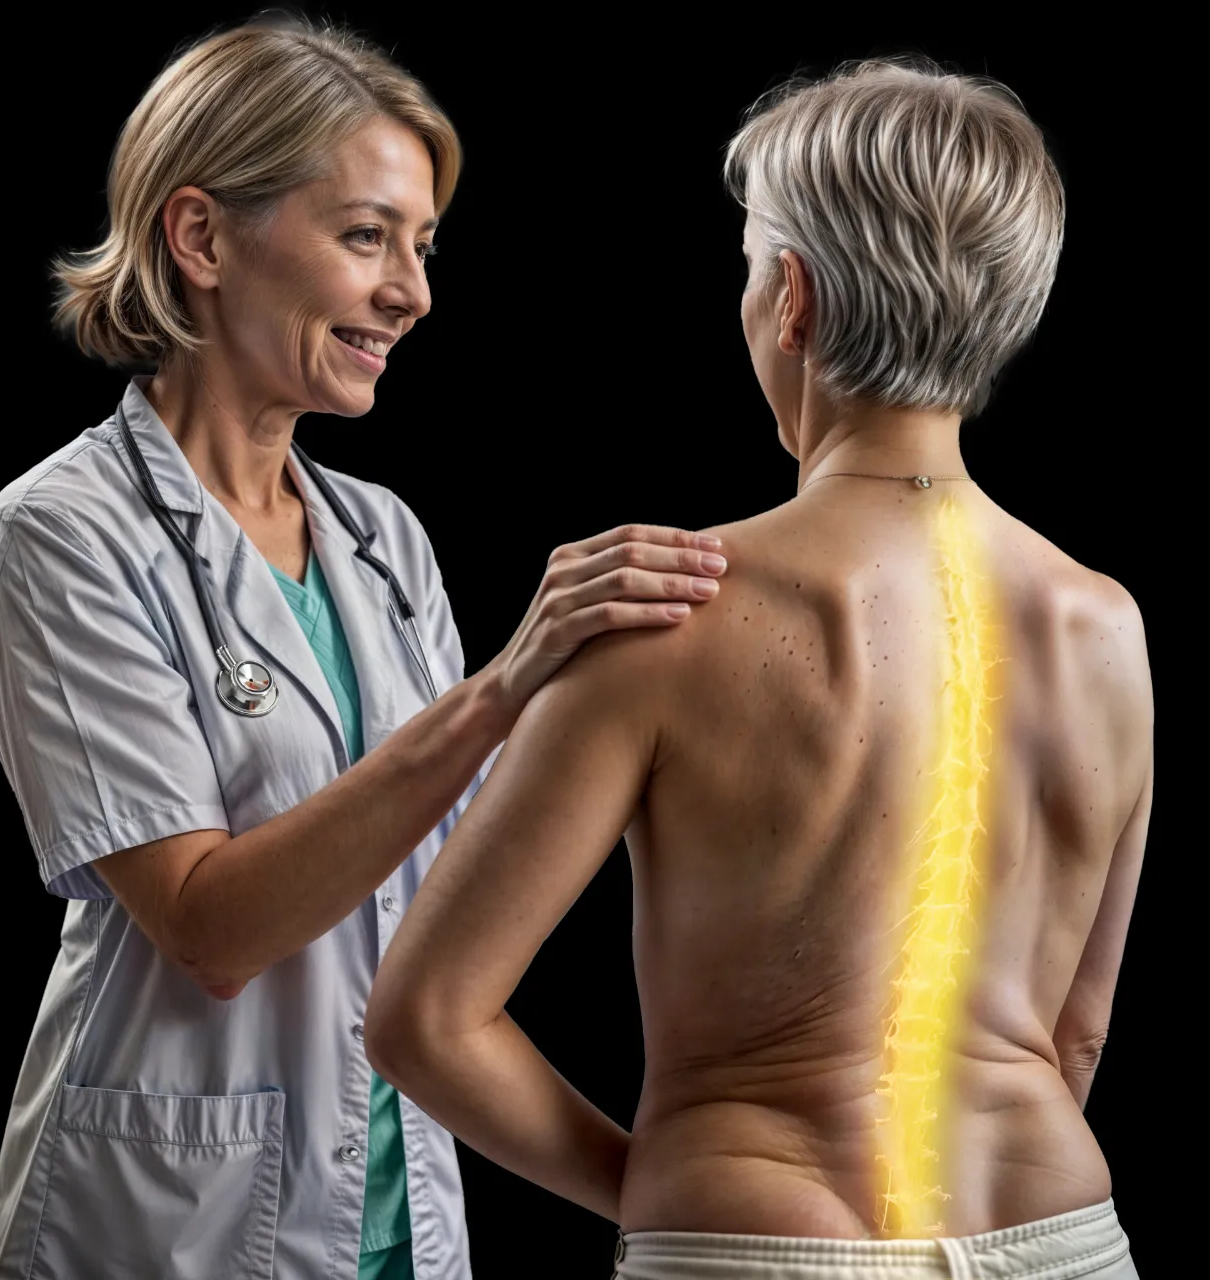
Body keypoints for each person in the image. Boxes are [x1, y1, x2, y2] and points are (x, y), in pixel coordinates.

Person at [0, 18, 729, 1280]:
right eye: (366, 236)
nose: (413, 293)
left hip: (400, 1212)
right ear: (200, 238)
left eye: (421, 247)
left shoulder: (382, 537)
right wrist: (498, 693)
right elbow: (210, 927)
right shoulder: (59, 535)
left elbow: (456, 883)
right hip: (169, 1225)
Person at [365, 59, 1151, 1280]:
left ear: (792, 299)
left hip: (750, 1241)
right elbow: (1079, 1028)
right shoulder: (1101, 626)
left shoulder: (661, 610)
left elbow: (424, 1018)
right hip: (1053, 1234)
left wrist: (670, 1188)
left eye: (746, 270)